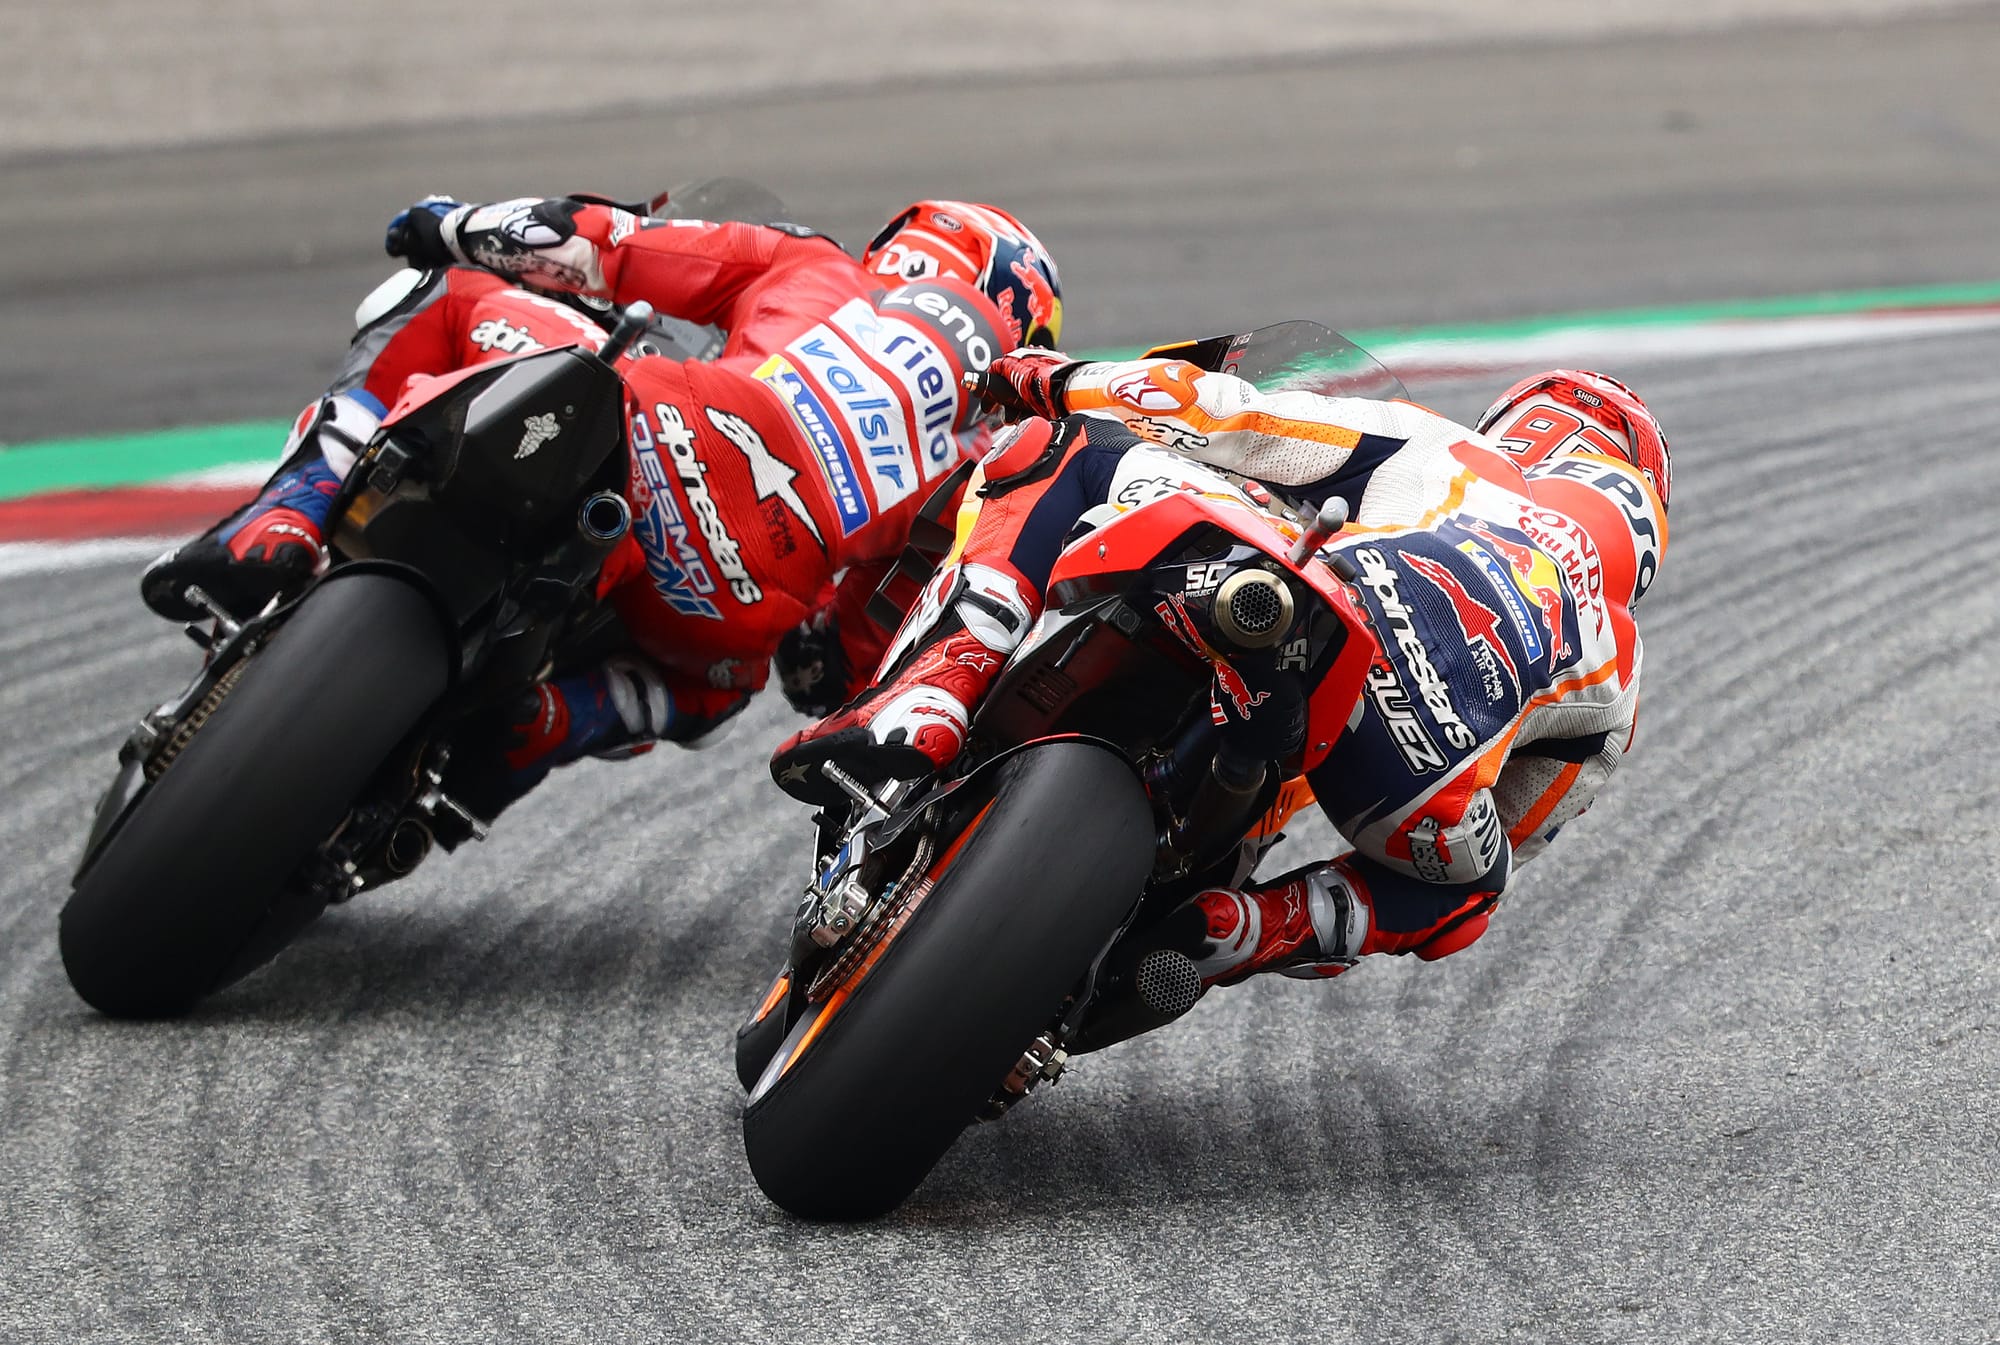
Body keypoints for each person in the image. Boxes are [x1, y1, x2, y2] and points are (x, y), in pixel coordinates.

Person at [141, 193, 1063, 818]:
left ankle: (289, 515)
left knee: (457, 298)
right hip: (735, 598)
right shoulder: (980, 466)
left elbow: (593, 240)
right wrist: (812, 640)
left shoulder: (814, 269)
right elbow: (847, 659)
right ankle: (550, 722)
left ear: (906, 248)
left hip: (650, 435)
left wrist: (454, 225)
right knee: (715, 690)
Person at [771, 346, 1670, 984]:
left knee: (1067, 452)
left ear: (1527, 426)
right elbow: (1513, 835)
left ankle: (938, 687)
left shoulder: (1461, 456)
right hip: (1405, 785)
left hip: (1328, 616)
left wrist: (1053, 376)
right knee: (1473, 890)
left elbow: (1223, 416)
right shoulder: (1621, 669)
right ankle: (1248, 930)